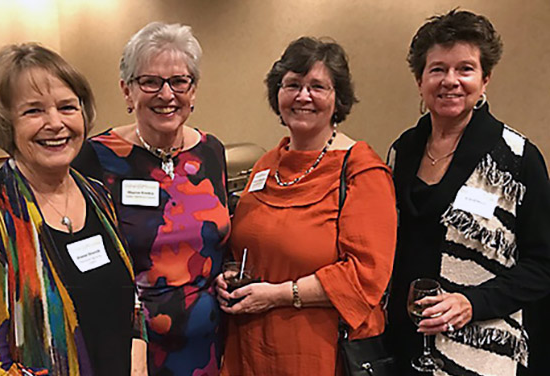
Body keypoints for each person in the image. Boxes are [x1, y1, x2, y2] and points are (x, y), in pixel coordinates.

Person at [0, 43, 141, 375]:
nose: (55, 123)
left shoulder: (96, 195)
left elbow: (130, 300)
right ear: (6, 122)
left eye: (67, 107)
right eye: (33, 111)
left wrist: (138, 367)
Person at [215, 37, 397, 376]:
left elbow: (366, 275)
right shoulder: (266, 164)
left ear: (338, 98)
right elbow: (249, 245)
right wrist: (230, 274)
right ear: (277, 94)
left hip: (319, 352)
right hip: (251, 346)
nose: (303, 96)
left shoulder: (361, 170)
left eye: (317, 87)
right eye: (293, 85)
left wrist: (279, 295)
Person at [387, 9, 550, 376]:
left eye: (465, 69)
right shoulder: (402, 150)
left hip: (481, 347)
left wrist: (471, 303)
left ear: (485, 78)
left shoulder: (518, 159)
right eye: (437, 69)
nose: (450, 81)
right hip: (405, 343)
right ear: (419, 80)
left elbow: (542, 264)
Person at [73, 22, 230, 376]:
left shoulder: (211, 151)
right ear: (127, 91)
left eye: (179, 81)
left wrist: (230, 272)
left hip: (209, 345)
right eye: (150, 82)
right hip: (130, 349)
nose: (167, 94)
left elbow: (218, 240)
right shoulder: (94, 159)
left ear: (193, 90)